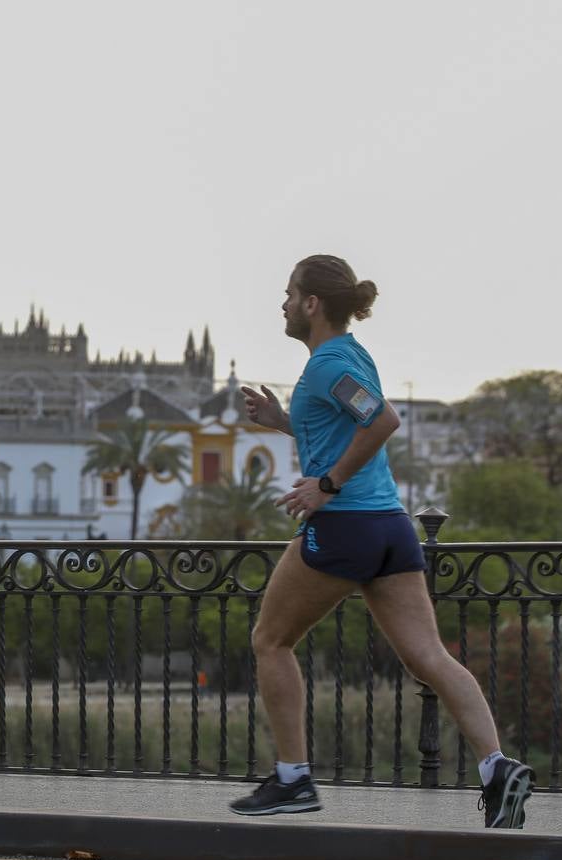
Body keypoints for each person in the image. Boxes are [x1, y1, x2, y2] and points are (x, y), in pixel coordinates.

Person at [228, 254, 534, 829]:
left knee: (270, 640)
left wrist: (325, 485)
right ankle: (496, 767)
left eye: (290, 294)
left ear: (313, 304)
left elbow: (383, 420)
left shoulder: (327, 364)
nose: (284, 304)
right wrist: (285, 423)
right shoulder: (347, 358)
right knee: (429, 658)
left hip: (346, 526)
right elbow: (347, 424)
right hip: (391, 528)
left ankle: (293, 778)